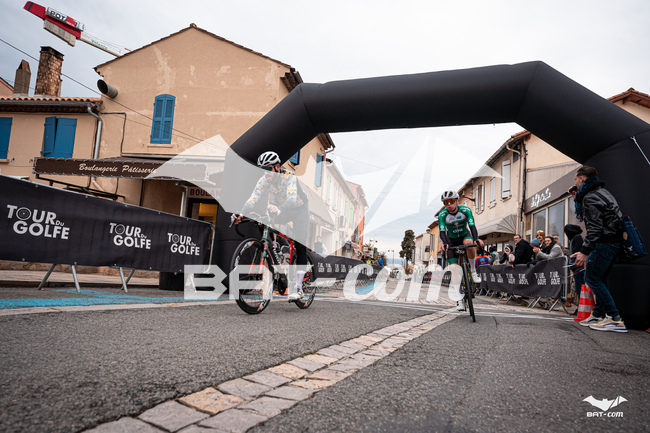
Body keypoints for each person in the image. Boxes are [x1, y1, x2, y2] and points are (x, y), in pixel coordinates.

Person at [232, 151, 310, 301]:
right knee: (262, 219)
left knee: (300, 245)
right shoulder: (264, 180)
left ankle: (299, 288)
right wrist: (240, 214)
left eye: (268, 169)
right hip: (283, 208)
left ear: (277, 167)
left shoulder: (289, 176)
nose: (265, 173)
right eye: (263, 169)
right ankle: (273, 247)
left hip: (299, 208)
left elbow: (292, 199)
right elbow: (252, 199)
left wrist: (279, 209)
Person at [571, 166, 626, 332]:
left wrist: (584, 251)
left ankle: (614, 318)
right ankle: (599, 314)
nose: (575, 183)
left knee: (592, 278)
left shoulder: (590, 197)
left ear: (582, 179)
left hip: (604, 242)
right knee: (600, 278)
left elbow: (595, 227)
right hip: (613, 242)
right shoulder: (603, 192)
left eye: (576, 179)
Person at [438, 190, 484, 311]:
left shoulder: (465, 210)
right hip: (451, 239)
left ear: (457, 201)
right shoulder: (442, 215)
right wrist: (444, 244)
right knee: (453, 268)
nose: (449, 204)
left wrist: (476, 239)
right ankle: (459, 299)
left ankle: (473, 271)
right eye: (446, 202)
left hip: (464, 235)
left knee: (469, 243)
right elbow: (442, 231)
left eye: (451, 201)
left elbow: (472, 226)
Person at [564, 224, 585, 316]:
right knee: (579, 289)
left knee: (580, 289)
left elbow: (576, 253)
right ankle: (581, 308)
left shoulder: (577, 238)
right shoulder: (575, 238)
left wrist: (573, 265)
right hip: (578, 267)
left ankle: (581, 309)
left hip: (579, 267)